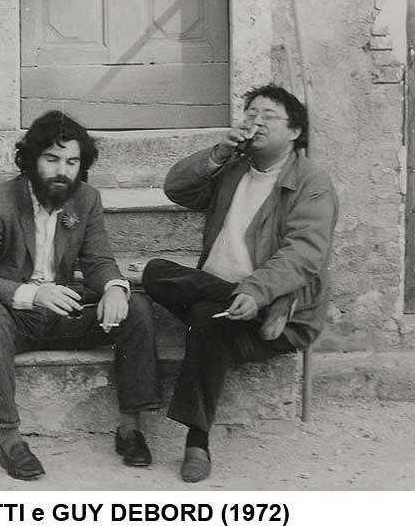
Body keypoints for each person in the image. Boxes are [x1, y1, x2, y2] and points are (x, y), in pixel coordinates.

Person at [0, 111, 162, 480]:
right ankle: (10, 440)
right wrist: (35, 294)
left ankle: (130, 428)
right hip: (13, 318)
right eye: (52, 159)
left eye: (72, 162)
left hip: (62, 313)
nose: (62, 171)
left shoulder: (85, 199)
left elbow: (99, 261)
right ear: (29, 160)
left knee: (135, 304)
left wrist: (114, 288)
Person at [142, 84, 338, 483]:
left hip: (273, 305)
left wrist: (256, 291)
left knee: (204, 318)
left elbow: (305, 253)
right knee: (155, 272)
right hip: (227, 295)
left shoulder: (312, 183)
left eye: (268, 116)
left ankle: (197, 442)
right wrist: (217, 154)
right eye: (250, 115)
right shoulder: (233, 168)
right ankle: (255, 307)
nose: (256, 122)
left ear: (295, 131)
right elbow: (176, 189)